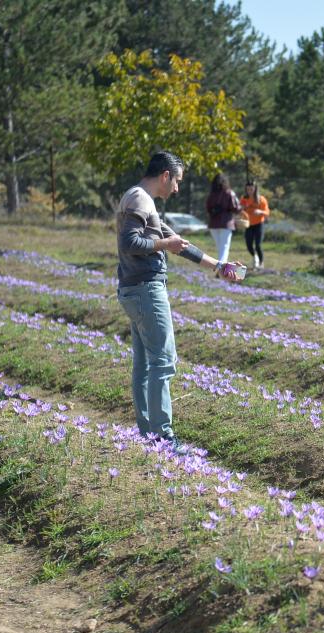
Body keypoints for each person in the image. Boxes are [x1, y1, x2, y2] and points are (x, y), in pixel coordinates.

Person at [116, 152, 244, 448]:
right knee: (163, 362)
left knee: (145, 364)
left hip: (133, 288)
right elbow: (130, 242)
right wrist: (164, 244)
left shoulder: (141, 200)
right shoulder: (140, 199)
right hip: (146, 289)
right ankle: (163, 436)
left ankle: (148, 433)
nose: (176, 188)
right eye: (177, 181)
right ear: (165, 176)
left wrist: (219, 267)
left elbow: (180, 245)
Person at [204, 173, 241, 264]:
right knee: (224, 247)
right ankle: (221, 268)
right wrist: (242, 208)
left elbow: (208, 209)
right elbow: (235, 208)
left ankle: (220, 267)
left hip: (213, 224)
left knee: (220, 248)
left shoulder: (211, 194)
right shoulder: (229, 193)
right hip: (226, 224)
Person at [241, 181, 270, 269]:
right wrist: (241, 210)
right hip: (248, 224)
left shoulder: (261, 199)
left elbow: (267, 212)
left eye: (251, 189)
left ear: (255, 189)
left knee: (258, 245)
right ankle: (255, 257)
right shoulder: (244, 199)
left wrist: (260, 211)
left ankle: (261, 263)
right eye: (248, 189)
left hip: (259, 224)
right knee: (249, 245)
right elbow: (239, 210)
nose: (249, 191)